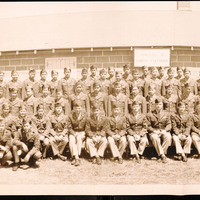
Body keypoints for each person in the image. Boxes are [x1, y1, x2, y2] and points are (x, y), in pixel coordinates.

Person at [146, 98, 172, 163]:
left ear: (162, 105)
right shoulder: (149, 114)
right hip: (154, 131)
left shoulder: (167, 114)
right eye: (157, 104)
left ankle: (161, 155)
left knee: (168, 137)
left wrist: (165, 130)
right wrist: (154, 131)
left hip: (163, 130)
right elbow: (148, 126)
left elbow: (169, 124)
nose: (158, 106)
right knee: (155, 138)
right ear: (154, 105)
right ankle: (163, 156)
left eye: (160, 104)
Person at [68, 100, 87, 166]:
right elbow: (69, 127)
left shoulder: (85, 115)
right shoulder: (70, 116)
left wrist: (84, 133)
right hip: (74, 132)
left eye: (79, 108)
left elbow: (87, 126)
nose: (78, 109)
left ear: (81, 108)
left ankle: (75, 157)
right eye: (76, 108)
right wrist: (74, 133)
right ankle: (77, 157)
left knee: (79, 138)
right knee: (71, 139)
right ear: (73, 108)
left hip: (82, 132)